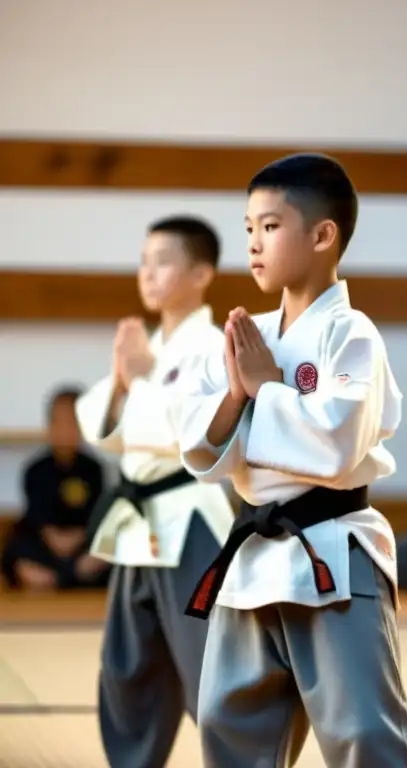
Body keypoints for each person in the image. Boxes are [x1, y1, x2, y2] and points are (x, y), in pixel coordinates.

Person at [177, 153, 407, 767]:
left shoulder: (352, 334)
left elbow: (338, 444)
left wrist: (265, 388)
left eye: (269, 226)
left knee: (364, 732)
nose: (254, 244)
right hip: (254, 555)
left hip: (333, 550)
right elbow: (199, 443)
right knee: (227, 720)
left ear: (323, 235)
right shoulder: (245, 337)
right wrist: (240, 390)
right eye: (248, 229)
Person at [74, 215, 235, 768]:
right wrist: (124, 380)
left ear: (201, 272)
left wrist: (139, 376)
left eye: (163, 260)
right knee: (128, 664)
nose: (148, 273)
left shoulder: (214, 346)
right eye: (144, 261)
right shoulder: (152, 345)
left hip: (190, 519)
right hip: (138, 524)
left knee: (207, 663)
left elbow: (193, 434)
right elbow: (104, 429)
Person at [1, 387, 108, 590]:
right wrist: (56, 540)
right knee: (18, 549)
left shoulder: (94, 469)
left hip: (81, 547)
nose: (66, 430)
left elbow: (97, 517)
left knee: (108, 552)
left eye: (73, 423)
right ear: (49, 427)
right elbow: (38, 519)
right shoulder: (37, 469)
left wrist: (78, 539)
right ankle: (65, 577)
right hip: (46, 546)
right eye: (60, 422)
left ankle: (64, 577)